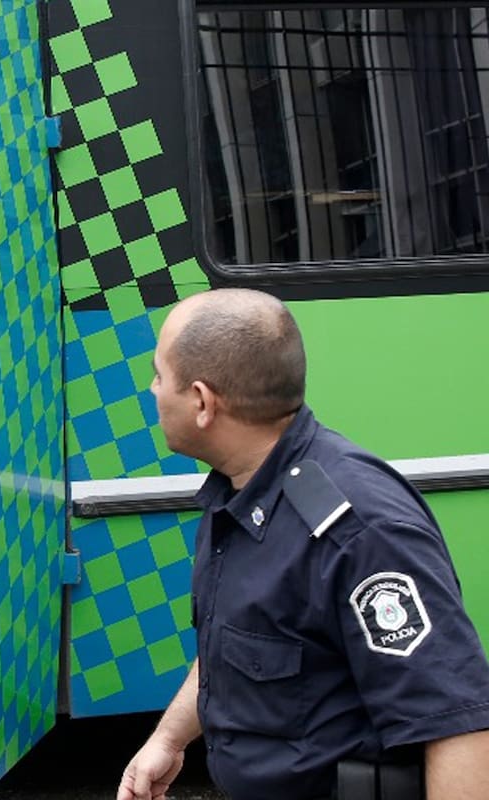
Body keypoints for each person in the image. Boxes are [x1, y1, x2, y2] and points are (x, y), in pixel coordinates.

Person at [116, 288, 489, 800]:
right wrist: (170, 737)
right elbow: (246, 642)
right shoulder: (242, 492)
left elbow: (455, 724)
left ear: (202, 402)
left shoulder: (359, 531)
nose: (153, 389)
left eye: (160, 375)